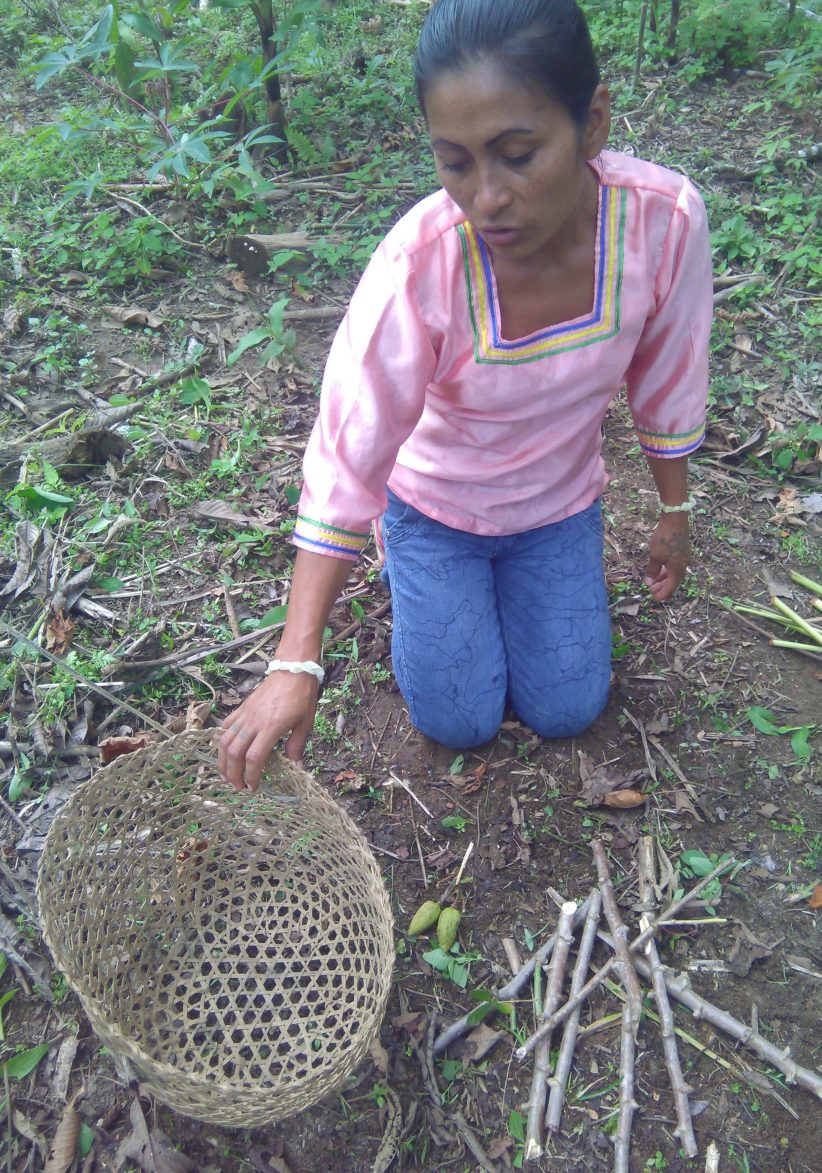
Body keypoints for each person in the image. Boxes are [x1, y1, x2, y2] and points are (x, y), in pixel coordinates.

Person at [219, 0, 712, 792]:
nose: (486, 198)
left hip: (557, 507)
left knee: (569, 705)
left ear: (593, 123)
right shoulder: (420, 266)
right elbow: (351, 448)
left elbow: (670, 373)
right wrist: (296, 656)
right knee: (459, 717)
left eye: (518, 154)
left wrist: (675, 512)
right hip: (436, 510)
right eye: (455, 162)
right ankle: (412, 561)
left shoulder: (662, 225)